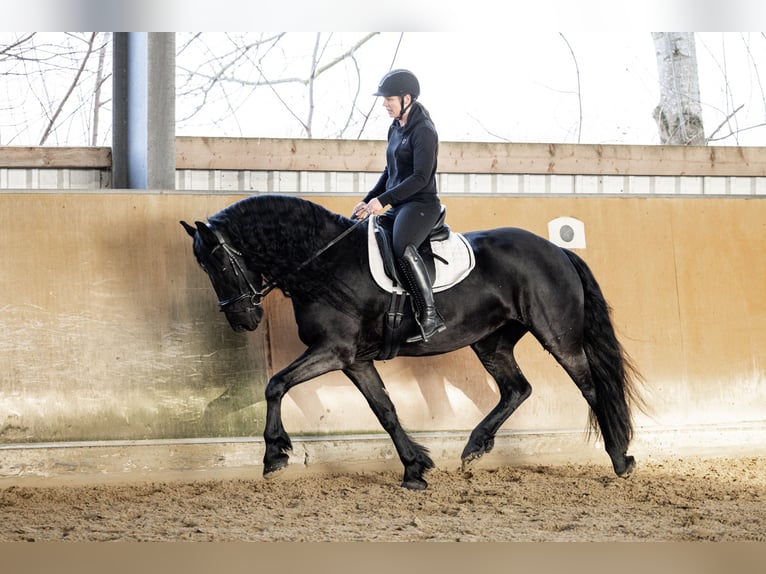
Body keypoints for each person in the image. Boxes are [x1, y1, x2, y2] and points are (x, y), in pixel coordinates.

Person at [352, 69, 446, 343]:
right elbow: (389, 171)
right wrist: (369, 198)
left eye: (389, 99)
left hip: (420, 203)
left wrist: (384, 200)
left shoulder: (424, 131)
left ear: (407, 98)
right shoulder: (395, 127)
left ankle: (430, 315)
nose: (385, 104)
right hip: (398, 201)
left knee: (402, 247)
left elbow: (420, 178)